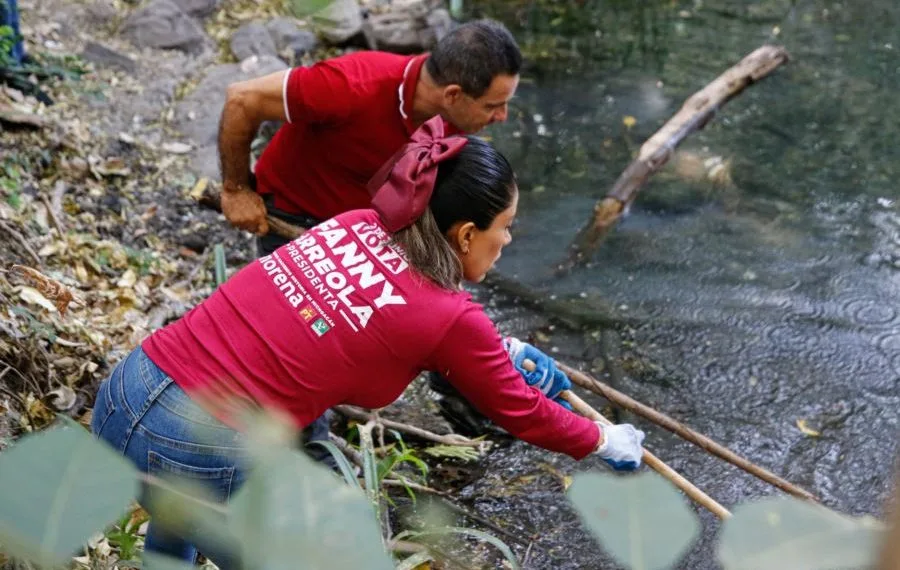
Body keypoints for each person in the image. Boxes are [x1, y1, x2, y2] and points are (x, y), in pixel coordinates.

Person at [91, 117, 646, 567]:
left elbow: (365, 316)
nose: (509, 238)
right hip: (195, 448)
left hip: (125, 394)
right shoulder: (450, 317)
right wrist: (601, 439)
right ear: (467, 234)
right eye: (507, 224)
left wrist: (503, 356)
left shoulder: (356, 223)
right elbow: (522, 412)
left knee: (180, 513)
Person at [217, 17, 522, 450]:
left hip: (377, 224)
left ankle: (473, 411)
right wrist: (236, 189)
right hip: (300, 220)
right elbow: (242, 98)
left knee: (442, 315)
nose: (502, 116)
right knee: (312, 345)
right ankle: (306, 454)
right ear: (453, 95)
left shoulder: (456, 125)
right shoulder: (352, 85)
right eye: (494, 105)